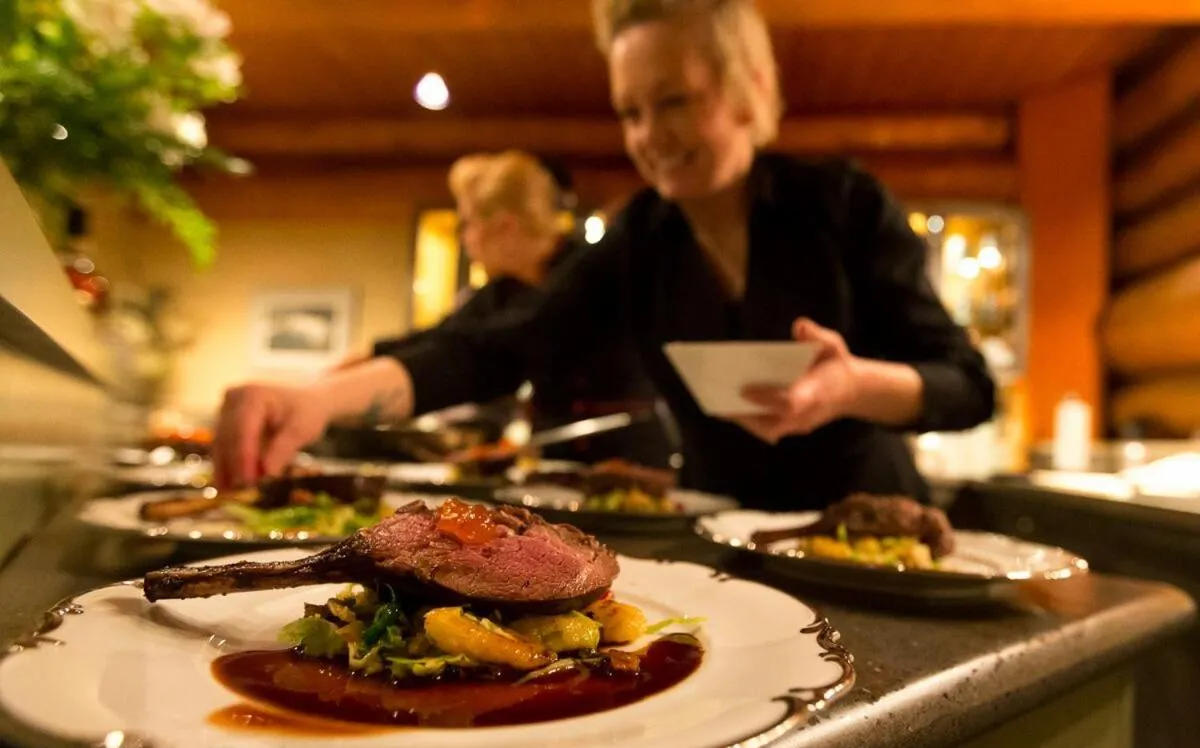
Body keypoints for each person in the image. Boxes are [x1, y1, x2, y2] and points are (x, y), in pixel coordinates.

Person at [214, 0, 995, 510]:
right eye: (631, 111)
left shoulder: (842, 204)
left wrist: (855, 385)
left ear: (748, 88)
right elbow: (499, 345)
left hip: (872, 532)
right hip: (721, 536)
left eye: (675, 102)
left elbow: (966, 386)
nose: (651, 136)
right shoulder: (639, 238)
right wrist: (321, 400)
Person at [336, 150, 674, 466]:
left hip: (632, 462)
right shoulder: (502, 290)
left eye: (467, 223)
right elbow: (446, 339)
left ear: (505, 226)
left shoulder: (587, 272)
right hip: (556, 464)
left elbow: (521, 334)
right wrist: (353, 367)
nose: (465, 238)